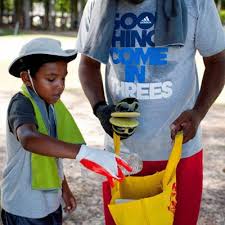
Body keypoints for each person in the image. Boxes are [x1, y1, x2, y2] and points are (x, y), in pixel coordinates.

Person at [76, 0, 225, 224]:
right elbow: (88, 64)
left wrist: (198, 112)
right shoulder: (99, 4)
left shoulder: (195, 3)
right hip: (121, 157)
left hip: (180, 153)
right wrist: (100, 108)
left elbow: (218, 60)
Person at [1, 37, 132, 225]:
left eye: (63, 78)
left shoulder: (53, 106)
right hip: (24, 207)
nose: (60, 85)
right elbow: (29, 139)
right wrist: (85, 153)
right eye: (51, 79)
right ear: (26, 78)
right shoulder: (21, 104)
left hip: (50, 203)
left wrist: (64, 189)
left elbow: (53, 154)